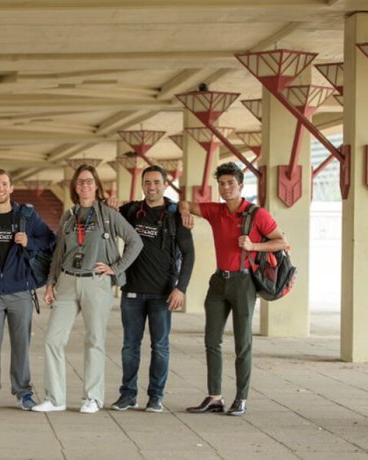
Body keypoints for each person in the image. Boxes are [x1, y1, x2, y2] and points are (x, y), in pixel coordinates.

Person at [32, 164, 143, 414]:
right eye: (80, 182)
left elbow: (135, 241)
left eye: (89, 181)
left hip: (96, 282)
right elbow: (59, 253)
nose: (84, 185)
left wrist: (117, 267)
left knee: (94, 340)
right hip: (68, 281)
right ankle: (55, 398)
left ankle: (92, 397)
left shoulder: (108, 214)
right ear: (74, 186)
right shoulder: (69, 216)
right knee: (52, 339)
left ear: (96, 186)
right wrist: (50, 283)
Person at [180, 162, 287, 417]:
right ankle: (215, 397)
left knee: (243, 343)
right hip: (218, 282)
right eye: (222, 184)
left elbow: (281, 241)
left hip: (244, 282)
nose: (226, 188)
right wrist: (185, 212)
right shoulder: (215, 211)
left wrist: (253, 247)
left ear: (240, 185)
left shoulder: (256, 214)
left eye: (231, 183)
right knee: (211, 341)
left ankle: (241, 398)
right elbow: (185, 202)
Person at [0, 169, 56, 411]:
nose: (0, 188)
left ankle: (24, 393)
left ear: (11, 188)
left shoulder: (26, 215)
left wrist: (30, 242)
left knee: (21, 345)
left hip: (21, 290)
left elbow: (50, 240)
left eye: (4, 184)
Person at [111, 165, 195, 413]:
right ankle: (127, 395)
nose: (152, 187)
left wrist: (181, 288)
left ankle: (156, 396)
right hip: (132, 292)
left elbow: (189, 254)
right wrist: (109, 201)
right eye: (147, 182)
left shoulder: (175, 214)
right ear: (142, 185)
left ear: (165, 184)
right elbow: (106, 215)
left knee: (160, 346)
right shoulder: (131, 211)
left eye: (157, 182)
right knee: (130, 347)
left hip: (163, 293)